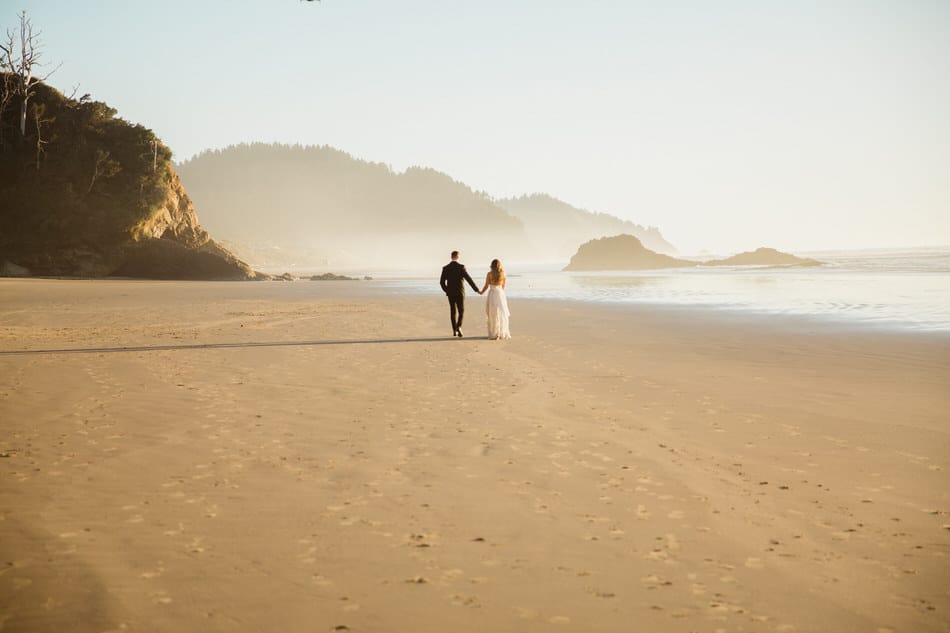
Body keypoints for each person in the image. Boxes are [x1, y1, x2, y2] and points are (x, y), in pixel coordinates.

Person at [440, 250, 480, 337]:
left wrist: (447, 290)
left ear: (451, 257)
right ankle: (459, 326)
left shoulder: (446, 268)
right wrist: (476, 289)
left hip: (450, 293)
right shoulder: (461, 267)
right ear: (458, 257)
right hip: (460, 293)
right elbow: (469, 279)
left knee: (453, 311)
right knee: (461, 311)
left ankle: (454, 330)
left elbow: (442, 282)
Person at [479, 258, 511, 340]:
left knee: (492, 313)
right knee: (501, 313)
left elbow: (486, 286)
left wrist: (481, 292)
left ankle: (494, 333)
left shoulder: (489, 274)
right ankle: (501, 332)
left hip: (492, 294)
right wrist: (500, 292)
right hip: (500, 294)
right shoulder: (503, 274)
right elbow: (503, 286)